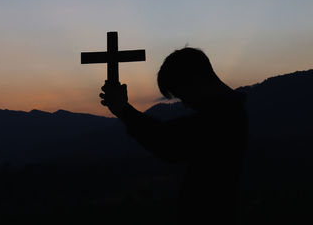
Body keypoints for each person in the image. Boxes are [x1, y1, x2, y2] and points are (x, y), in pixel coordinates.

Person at [99, 47, 248, 225]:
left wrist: (123, 110)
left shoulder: (224, 118)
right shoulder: (229, 112)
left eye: (183, 95)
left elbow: (168, 140)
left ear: (196, 80)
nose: (185, 104)